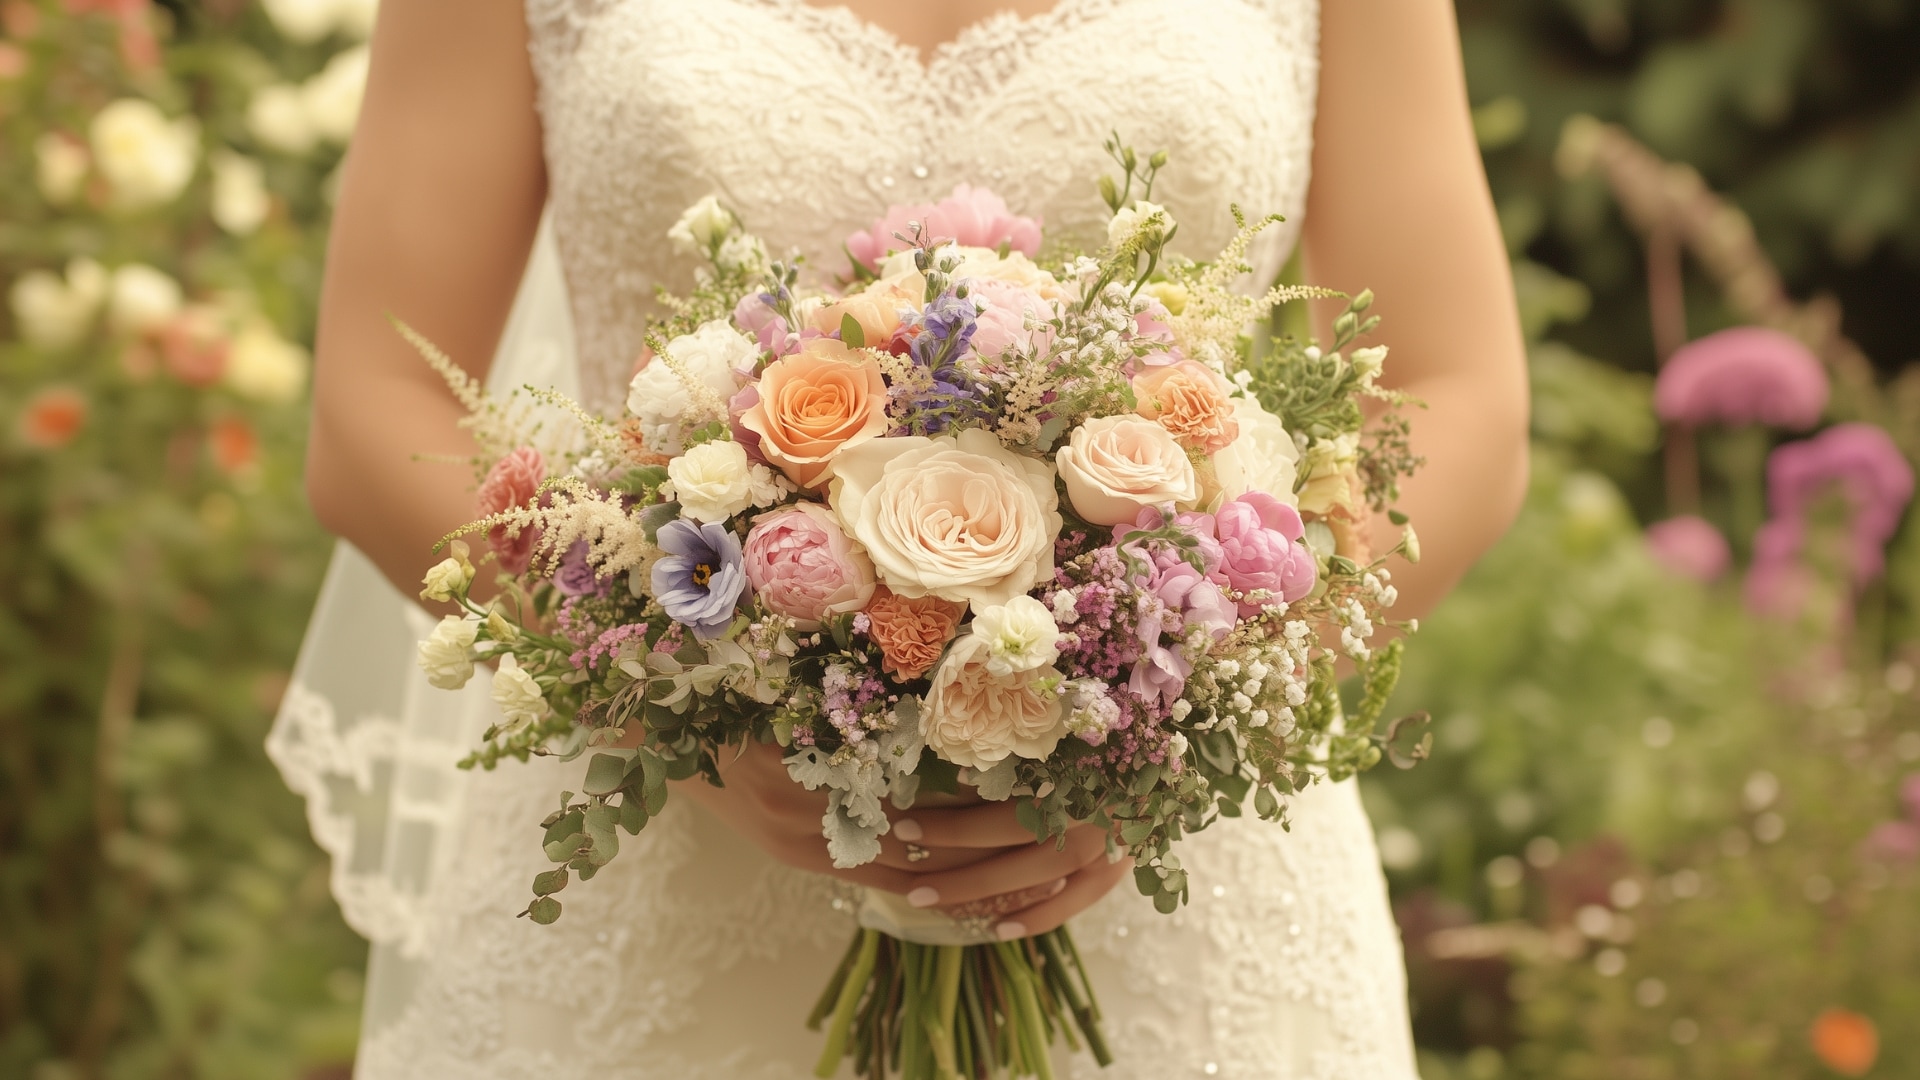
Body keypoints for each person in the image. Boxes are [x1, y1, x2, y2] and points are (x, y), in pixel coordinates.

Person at [284, 0, 1527, 1075]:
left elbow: (1456, 387)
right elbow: (374, 408)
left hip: (1183, 885)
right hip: (658, 861)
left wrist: (1174, 720)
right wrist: (671, 700)